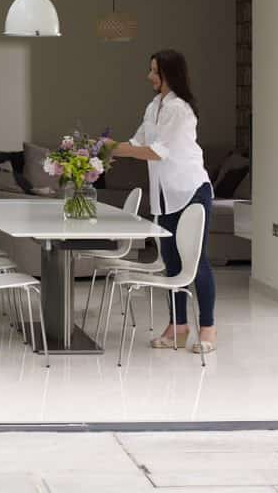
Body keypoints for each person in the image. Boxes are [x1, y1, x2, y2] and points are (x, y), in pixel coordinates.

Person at [112, 49, 218, 354]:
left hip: (190, 190)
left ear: (169, 74)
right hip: (165, 195)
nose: (149, 76)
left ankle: (208, 329)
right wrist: (102, 150)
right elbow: (137, 143)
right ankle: (178, 328)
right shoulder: (154, 106)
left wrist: (115, 151)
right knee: (171, 263)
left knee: (195, 262)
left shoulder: (180, 110)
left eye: (154, 71)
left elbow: (157, 151)